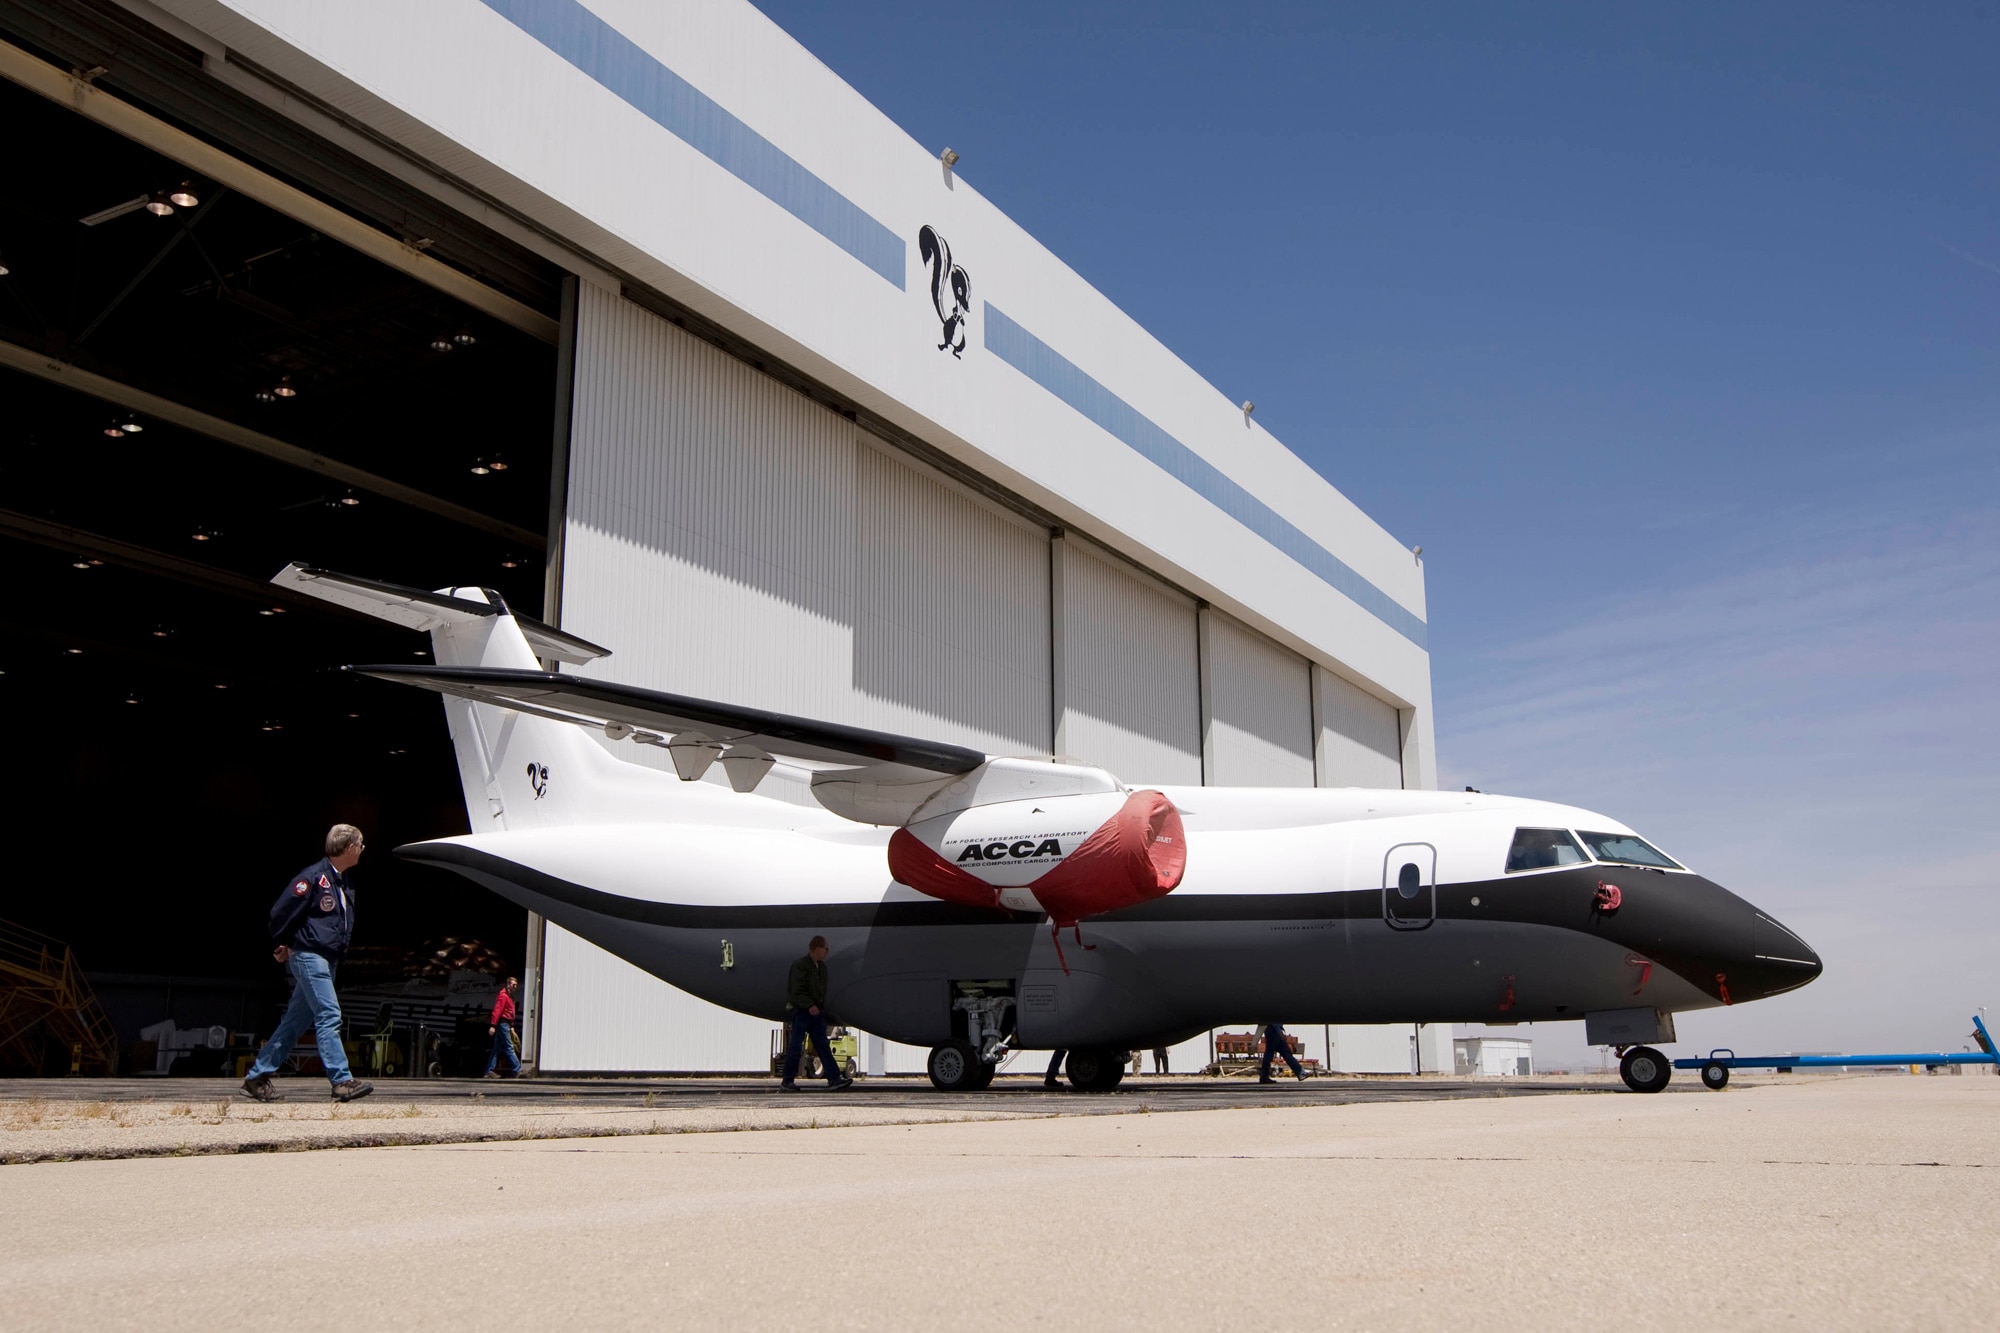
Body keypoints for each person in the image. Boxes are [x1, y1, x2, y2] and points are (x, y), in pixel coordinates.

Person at [241, 825, 373, 1103]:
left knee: (294, 1022)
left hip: (327, 958)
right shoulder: (312, 878)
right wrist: (286, 941)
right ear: (349, 848)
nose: (362, 850)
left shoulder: (342, 882)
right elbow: (281, 912)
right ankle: (341, 1080)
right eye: (360, 845)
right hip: (310, 957)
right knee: (329, 1014)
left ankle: (257, 1076)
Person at [778, 936, 853, 1092]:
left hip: (816, 1013)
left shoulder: (822, 968)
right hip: (802, 1012)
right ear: (817, 948)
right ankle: (787, 1080)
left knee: (823, 1046)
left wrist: (818, 1007)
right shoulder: (800, 966)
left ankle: (834, 1079)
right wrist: (809, 1004)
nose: (827, 951)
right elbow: (796, 991)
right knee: (796, 1046)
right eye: (826, 948)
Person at [484, 976, 523, 1079]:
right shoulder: (504, 996)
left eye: (516, 985)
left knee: (496, 1048)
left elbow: (511, 1013)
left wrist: (512, 1026)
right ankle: (517, 1069)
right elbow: (498, 1010)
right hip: (503, 1023)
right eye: (513, 985)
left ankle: (489, 1070)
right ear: (508, 984)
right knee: (509, 1047)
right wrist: (493, 1025)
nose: (515, 987)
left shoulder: (510, 997)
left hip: (506, 1023)